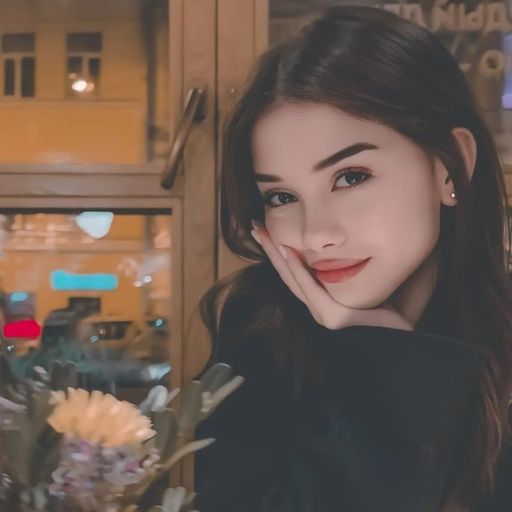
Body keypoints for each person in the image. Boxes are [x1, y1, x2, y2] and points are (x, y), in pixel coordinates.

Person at [193, 6, 512, 512]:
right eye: (280, 197)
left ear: (451, 167)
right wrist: (379, 357)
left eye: (350, 177)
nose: (316, 235)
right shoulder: (259, 337)